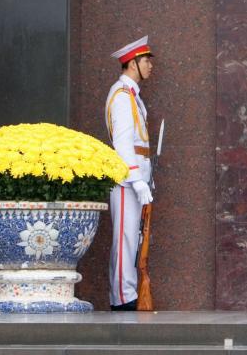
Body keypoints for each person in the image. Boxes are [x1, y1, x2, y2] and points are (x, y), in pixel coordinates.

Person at [105, 35, 155, 311]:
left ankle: (126, 293)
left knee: (134, 239)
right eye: (146, 60)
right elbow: (123, 143)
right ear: (132, 63)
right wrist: (136, 180)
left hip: (138, 177)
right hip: (126, 180)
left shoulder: (133, 97)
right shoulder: (122, 96)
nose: (150, 66)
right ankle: (122, 298)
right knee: (125, 238)